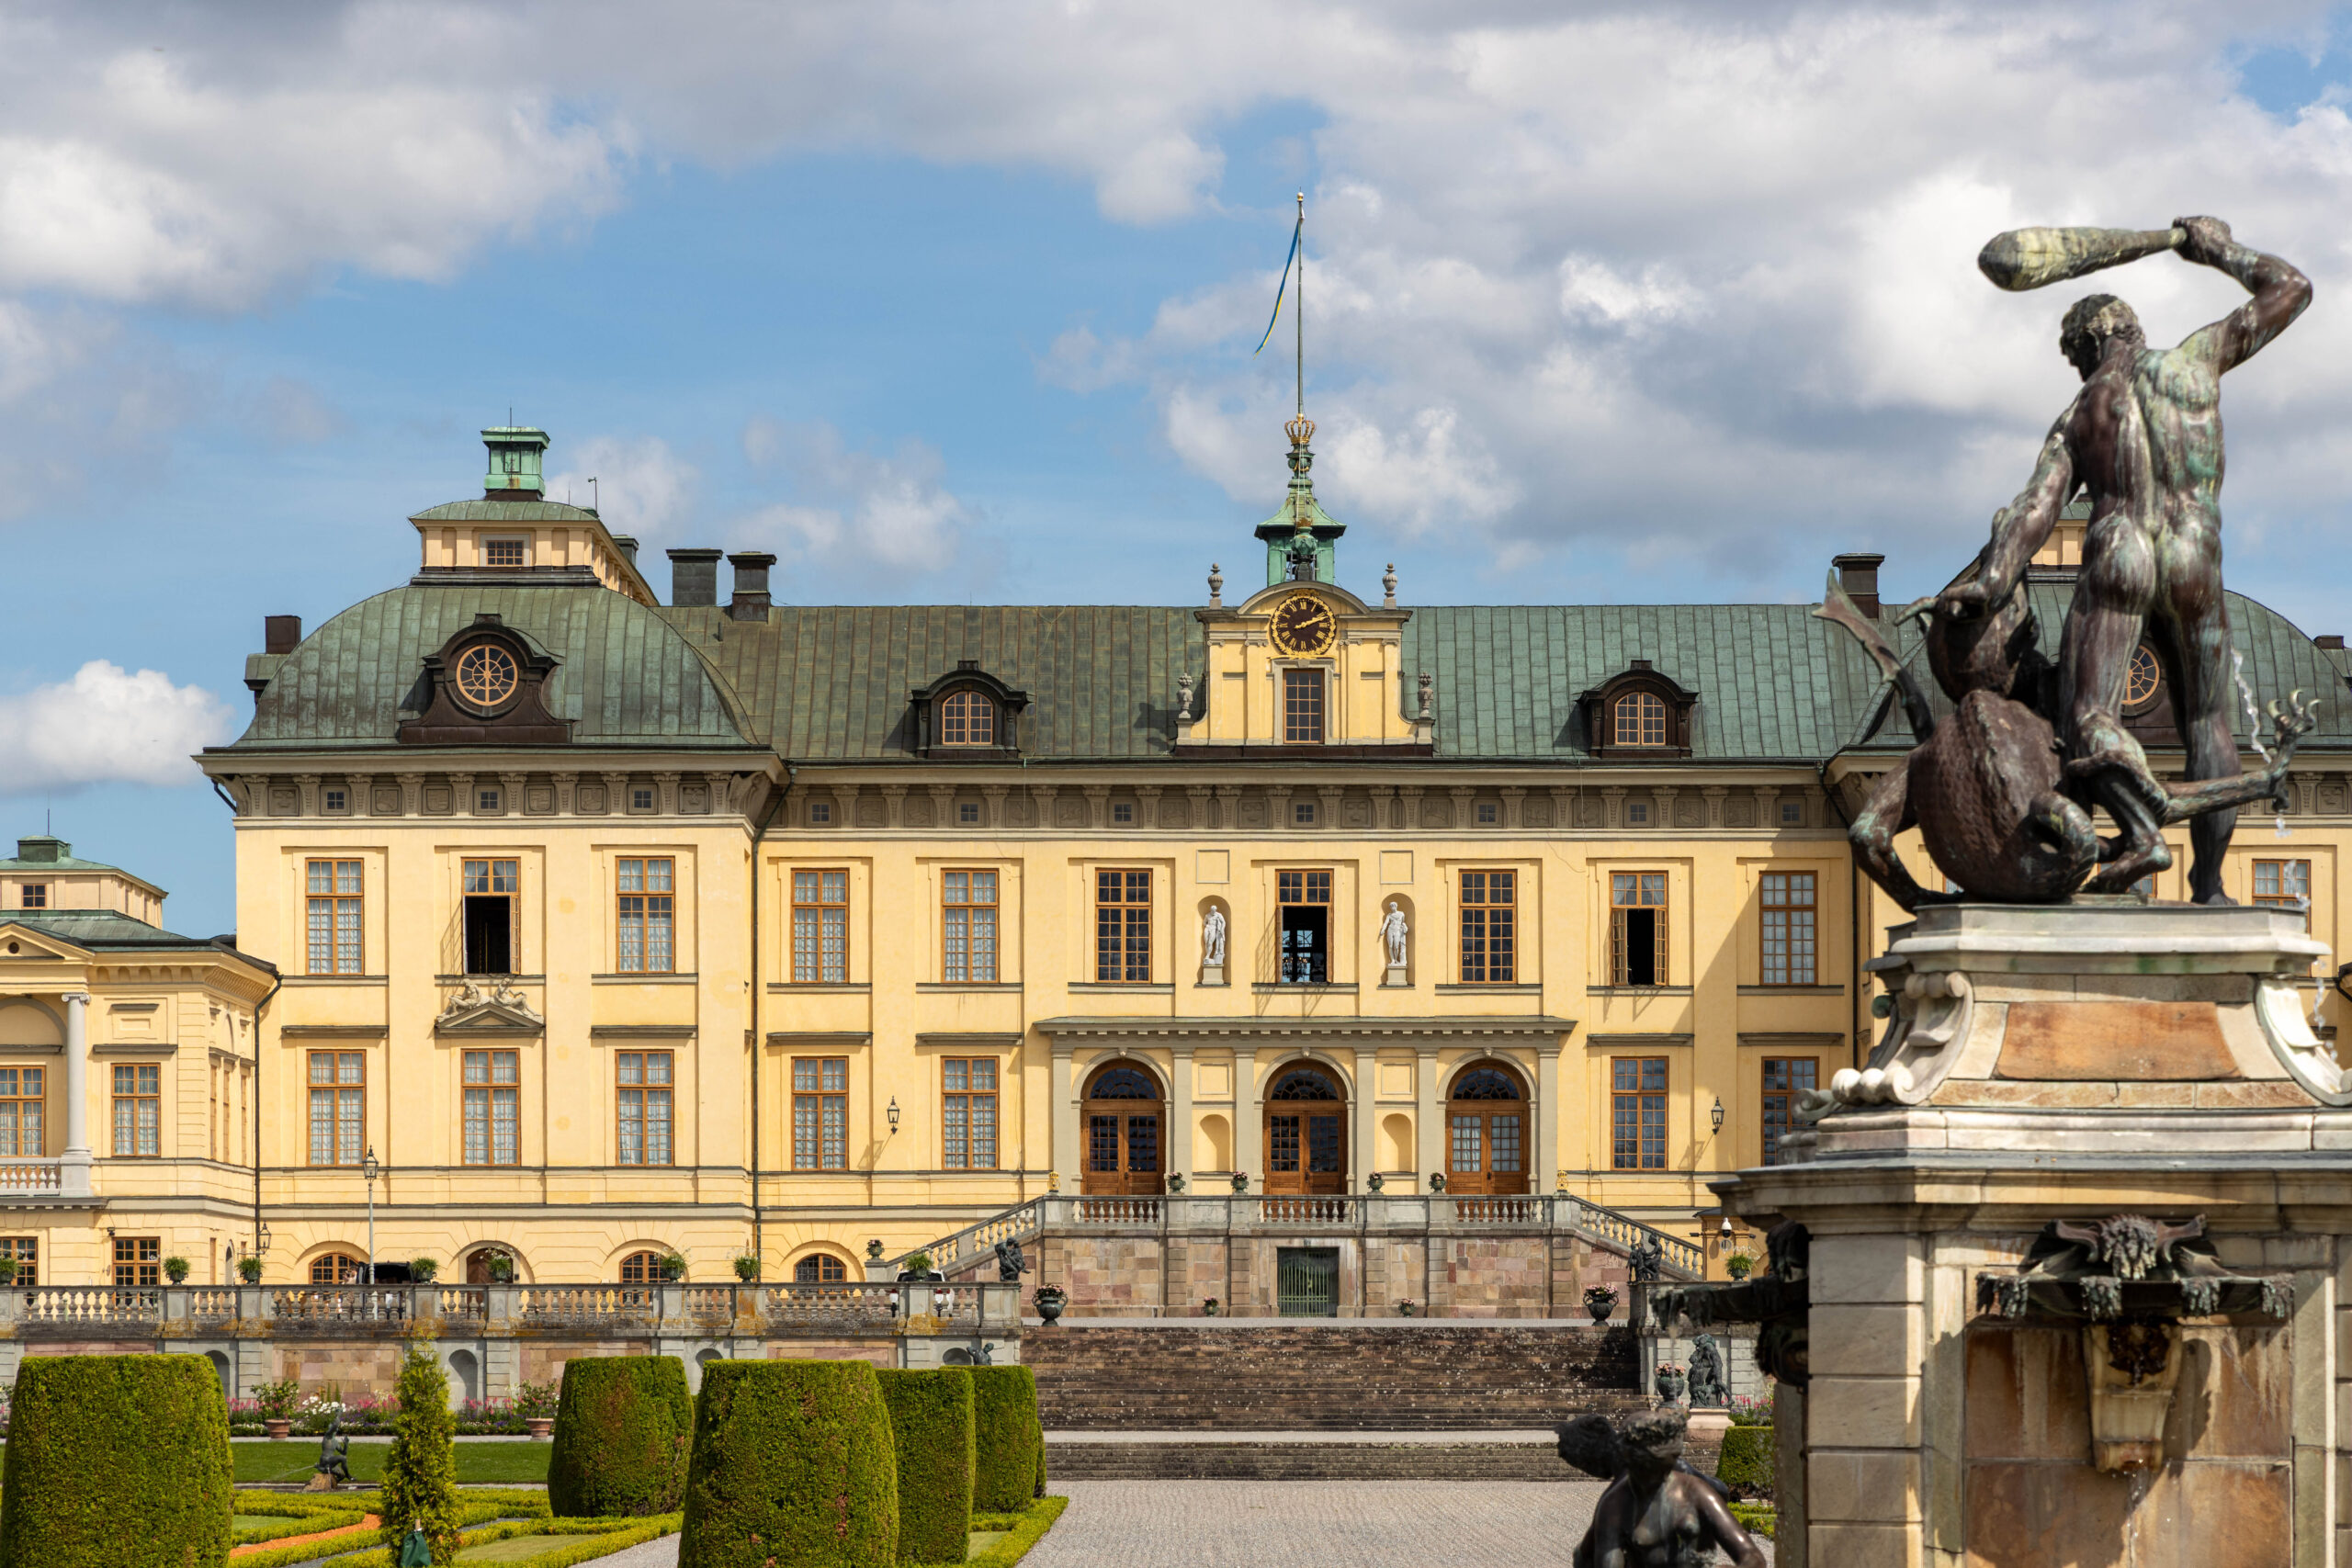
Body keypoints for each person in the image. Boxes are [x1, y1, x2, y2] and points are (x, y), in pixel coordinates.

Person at [1942, 217, 2311, 902]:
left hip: (2122, 552)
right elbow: (2290, 286)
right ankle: (2209, 888)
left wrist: (1991, 582)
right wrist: (2215, 250)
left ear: (2088, 345)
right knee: (2208, 720)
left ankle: (2139, 840)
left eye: (2073, 356)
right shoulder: (2198, 360)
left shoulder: (2082, 412)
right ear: (2133, 330)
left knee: (2087, 720)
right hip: (2196, 555)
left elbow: (2034, 510)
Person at [1573, 1411, 1765, 1568]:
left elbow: (1751, 1556)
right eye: (1646, 1469)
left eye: (1664, 1468)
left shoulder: (1695, 1492)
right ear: (1629, 1460)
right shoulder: (1615, 1505)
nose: (1655, 1479)